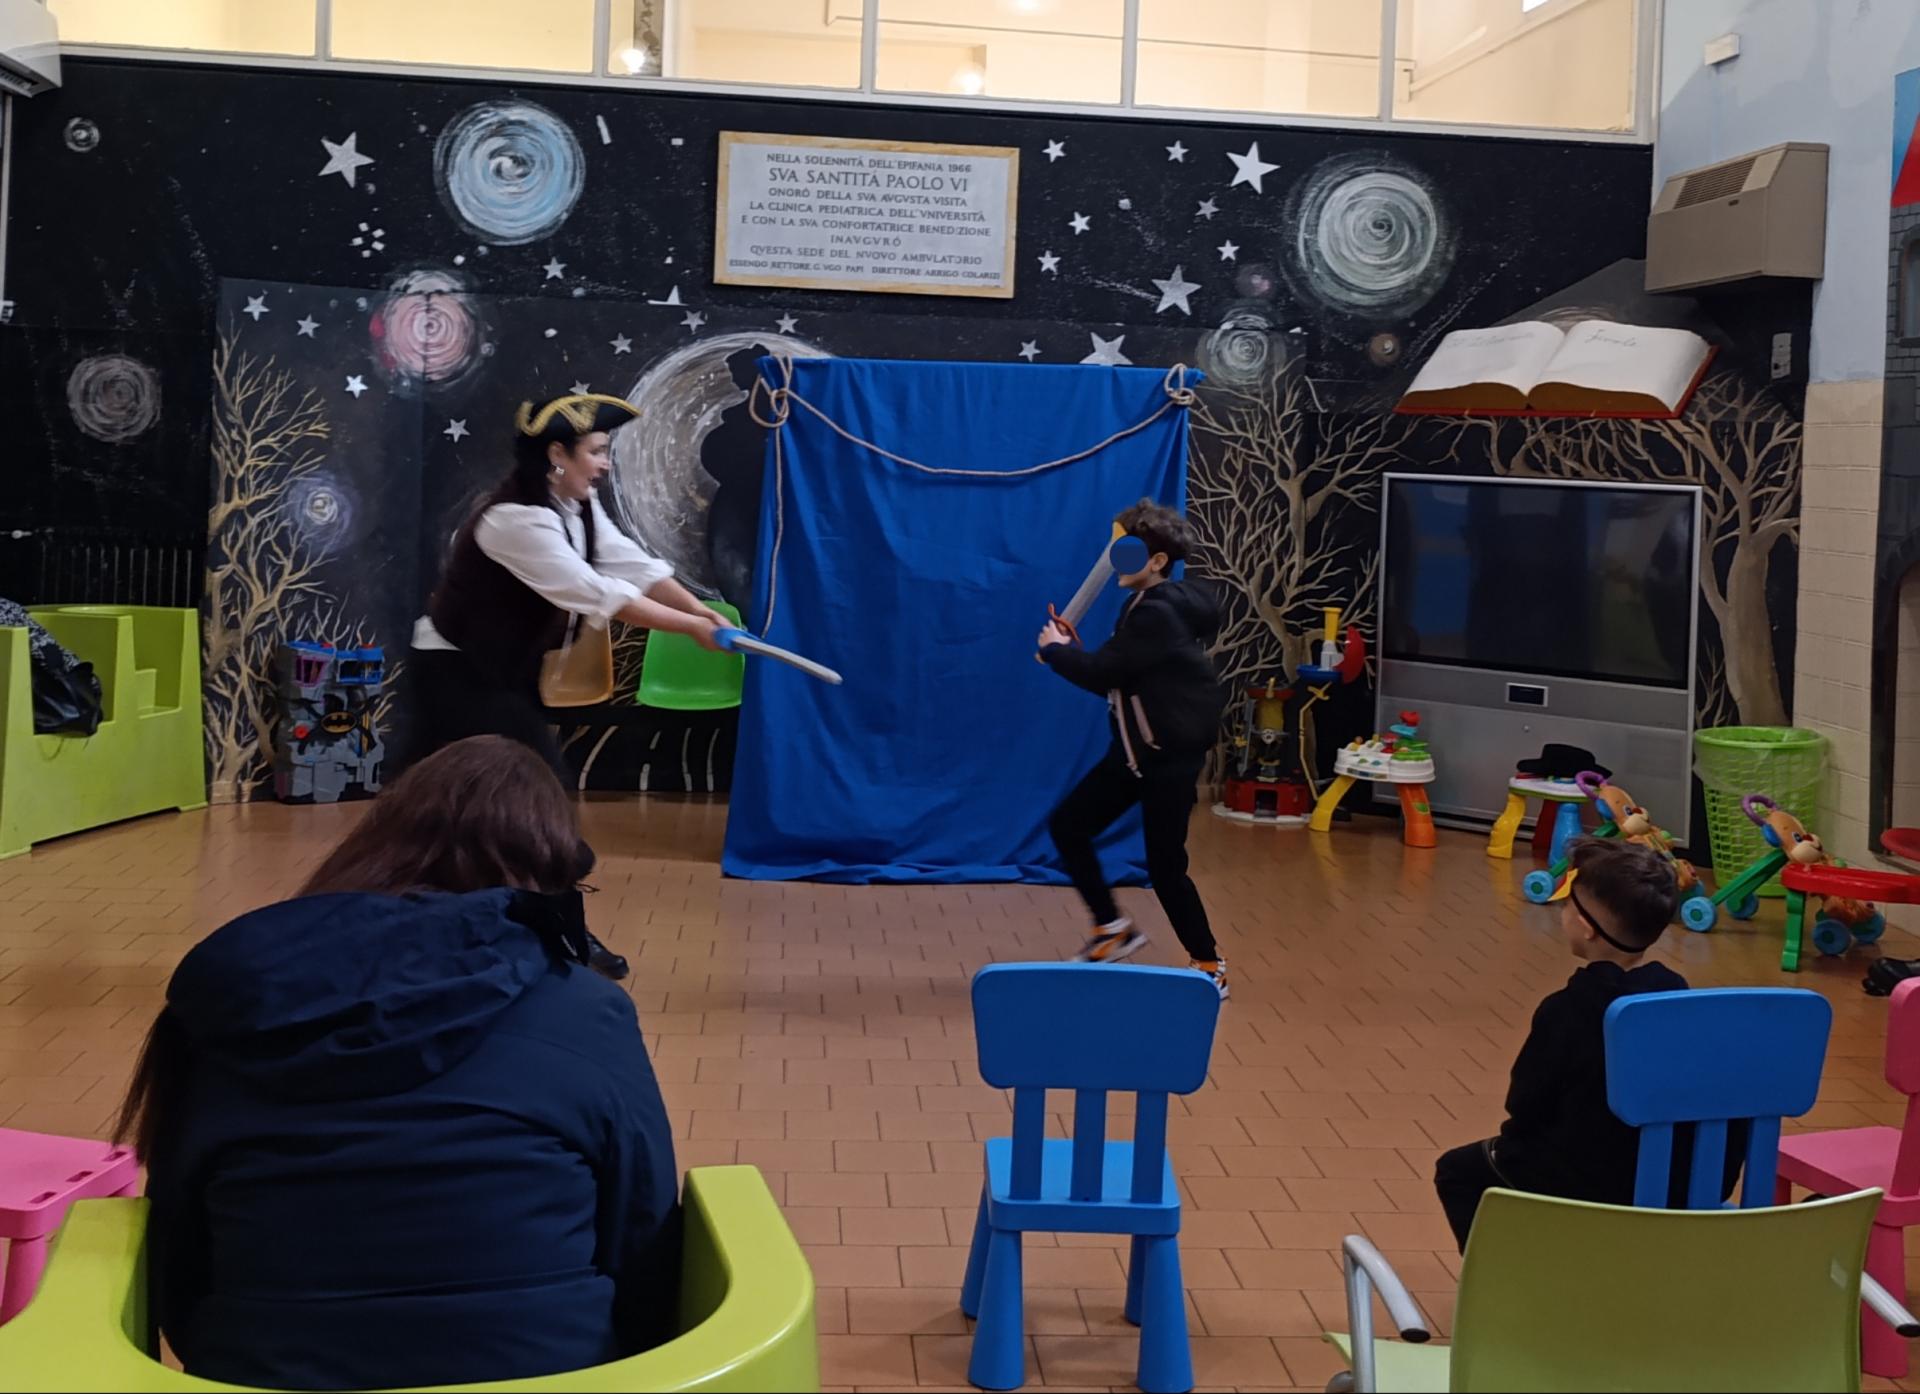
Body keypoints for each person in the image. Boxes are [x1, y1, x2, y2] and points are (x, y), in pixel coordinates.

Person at [114, 736, 680, 1392]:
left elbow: (181, 1258)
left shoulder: (243, 997)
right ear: (548, 874)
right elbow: (643, 1239)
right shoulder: (584, 1007)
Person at [1431, 836, 1741, 1250]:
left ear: (1586, 926)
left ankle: (1514, 1278)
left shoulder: (1569, 1008)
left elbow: (1524, 1104)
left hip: (1587, 1182)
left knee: (1458, 1170)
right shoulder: (1678, 999)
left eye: (1567, 901)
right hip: (1675, 1179)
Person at [410, 392, 733, 779]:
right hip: (455, 667)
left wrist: (700, 611)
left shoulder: (580, 505)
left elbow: (635, 567)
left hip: (508, 668)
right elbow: (598, 593)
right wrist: (692, 628)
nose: (605, 464)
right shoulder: (515, 519)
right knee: (531, 778)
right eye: (596, 452)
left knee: (449, 781)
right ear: (557, 454)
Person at [1037, 499, 1229, 998]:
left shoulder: (1156, 613)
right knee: (1069, 825)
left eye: (1127, 549)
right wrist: (1071, 652)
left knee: (1165, 867)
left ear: (1158, 560)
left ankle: (1210, 964)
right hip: (1135, 754)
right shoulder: (1142, 606)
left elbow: (1104, 673)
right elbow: (1119, 673)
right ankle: (1112, 929)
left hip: (1167, 761)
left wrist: (1056, 653)